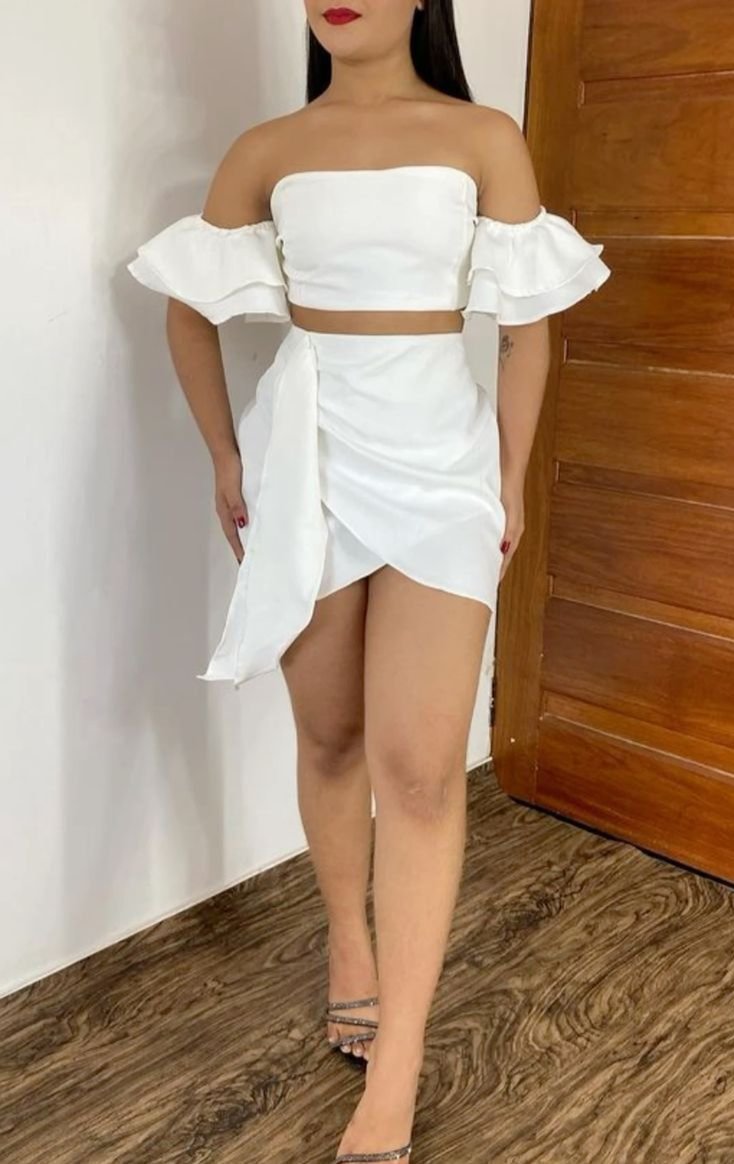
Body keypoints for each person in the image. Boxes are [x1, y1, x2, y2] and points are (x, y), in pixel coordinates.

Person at [127, 2, 611, 1159]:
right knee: (332, 735)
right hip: (308, 461)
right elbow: (187, 312)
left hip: (440, 469)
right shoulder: (266, 149)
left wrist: (508, 478)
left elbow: (526, 328)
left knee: (422, 769)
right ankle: (348, 940)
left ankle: (395, 1069)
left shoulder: (482, 135)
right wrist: (227, 458)